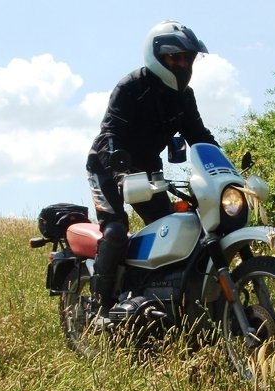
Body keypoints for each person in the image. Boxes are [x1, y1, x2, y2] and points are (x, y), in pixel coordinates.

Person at [86, 20, 219, 313]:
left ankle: (154, 297)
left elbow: (199, 135)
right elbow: (111, 133)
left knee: (169, 230)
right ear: (156, 56)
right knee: (116, 233)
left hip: (147, 169)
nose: (183, 64)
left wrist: (224, 168)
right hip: (108, 167)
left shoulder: (184, 97)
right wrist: (120, 173)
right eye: (176, 57)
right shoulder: (131, 87)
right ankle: (99, 305)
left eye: (188, 58)